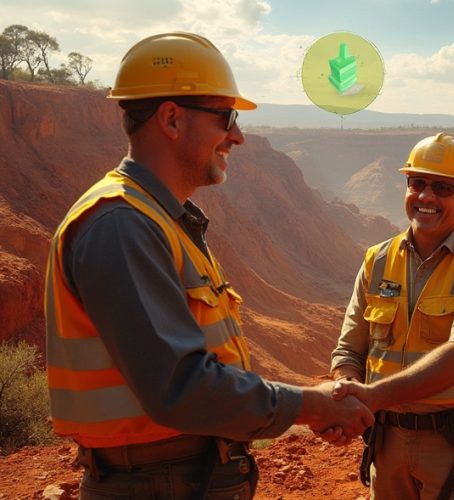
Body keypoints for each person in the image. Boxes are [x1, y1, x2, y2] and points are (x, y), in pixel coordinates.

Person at [44, 32, 373, 499]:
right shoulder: (123, 225)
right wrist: (311, 406)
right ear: (172, 119)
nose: (237, 135)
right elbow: (180, 386)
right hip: (161, 485)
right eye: (226, 118)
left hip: (183, 478)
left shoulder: (161, 220)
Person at [330, 132, 454, 499]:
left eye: (443, 188)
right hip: (386, 443)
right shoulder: (377, 261)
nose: (426, 197)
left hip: (453, 447)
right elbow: (349, 350)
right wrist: (346, 391)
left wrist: (372, 396)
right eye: (417, 183)